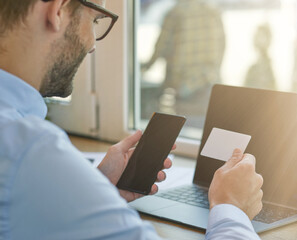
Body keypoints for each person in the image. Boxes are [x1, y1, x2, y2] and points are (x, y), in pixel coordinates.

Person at [0, 0, 263, 239]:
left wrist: (92, 189)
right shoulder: (30, 153)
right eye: (94, 20)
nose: (92, 45)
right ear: (58, 10)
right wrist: (231, 210)